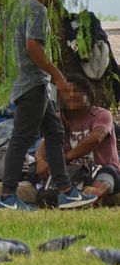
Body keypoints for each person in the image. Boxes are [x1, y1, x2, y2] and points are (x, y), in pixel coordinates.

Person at [0, 0, 97, 211]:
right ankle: (7, 197)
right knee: (21, 139)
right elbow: (32, 46)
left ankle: (66, 192)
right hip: (32, 84)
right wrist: (58, 76)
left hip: (22, 84)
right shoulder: (37, 9)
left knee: (55, 132)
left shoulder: (12, 6)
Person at [35, 75, 120, 203]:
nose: (72, 95)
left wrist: (64, 159)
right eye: (67, 92)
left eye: (77, 91)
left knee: (108, 174)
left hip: (100, 169)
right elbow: (44, 146)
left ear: (88, 95)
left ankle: (94, 194)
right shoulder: (58, 119)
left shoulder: (102, 114)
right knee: (36, 171)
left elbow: (96, 139)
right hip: (71, 172)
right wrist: (40, 161)